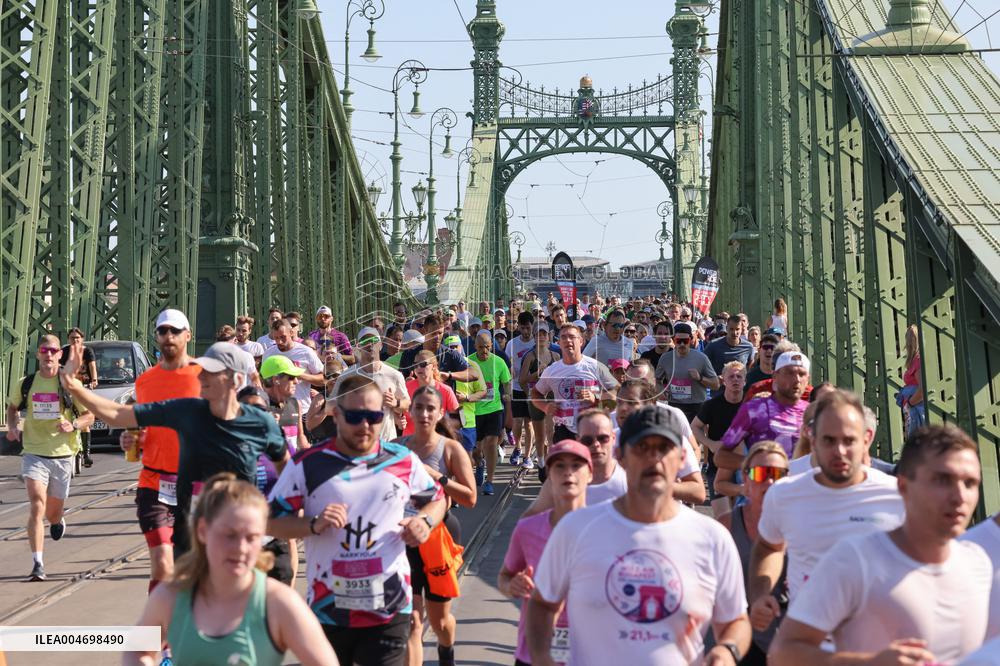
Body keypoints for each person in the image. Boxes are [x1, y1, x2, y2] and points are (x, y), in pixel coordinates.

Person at [526, 405, 751, 665]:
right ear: (620, 455)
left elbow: (736, 620)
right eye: (642, 448)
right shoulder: (576, 528)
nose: (654, 459)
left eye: (664, 448)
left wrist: (726, 651)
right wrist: (543, 657)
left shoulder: (713, 538)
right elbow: (542, 604)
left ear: (681, 459)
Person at [770, 424, 990, 665]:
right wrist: (868, 663)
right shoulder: (855, 559)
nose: (959, 497)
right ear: (903, 486)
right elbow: (783, 653)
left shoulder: (978, 562)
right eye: (942, 480)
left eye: (970, 483)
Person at [267, 376, 448, 666]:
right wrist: (312, 524)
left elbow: (437, 499)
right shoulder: (308, 464)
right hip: (329, 608)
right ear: (336, 414)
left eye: (374, 416)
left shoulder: (402, 460)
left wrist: (424, 523)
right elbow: (270, 521)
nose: (365, 425)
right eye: (354, 416)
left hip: (388, 607)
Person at [60, 341, 288, 558]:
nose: (202, 376)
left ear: (236, 380)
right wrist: (73, 385)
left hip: (241, 542)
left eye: (212, 372)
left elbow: (285, 467)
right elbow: (120, 415)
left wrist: (279, 510)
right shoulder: (187, 412)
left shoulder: (260, 423)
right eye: (201, 370)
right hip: (193, 541)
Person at [125, 473, 338, 666]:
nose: (241, 549)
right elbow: (137, 651)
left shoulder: (279, 603)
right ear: (202, 531)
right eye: (229, 535)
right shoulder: (170, 598)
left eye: (252, 537)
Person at [748, 390, 905, 637]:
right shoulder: (785, 493)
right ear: (812, 438)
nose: (839, 451)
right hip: (808, 645)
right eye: (829, 441)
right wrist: (760, 594)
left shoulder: (898, 496)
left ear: (867, 438)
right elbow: (768, 547)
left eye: (848, 440)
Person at [115, 309, 203, 590]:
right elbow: (142, 430)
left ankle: (189, 628)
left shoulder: (203, 376)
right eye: (163, 331)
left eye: (175, 331)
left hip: (195, 484)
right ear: (156, 336)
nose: (169, 337)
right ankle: (159, 633)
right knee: (163, 562)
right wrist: (133, 443)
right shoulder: (145, 382)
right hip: (154, 484)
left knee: (194, 566)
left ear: (188, 336)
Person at [396, 386, 476, 666]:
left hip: (440, 536)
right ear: (410, 411)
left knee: (440, 621)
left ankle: (446, 653)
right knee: (412, 620)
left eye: (431, 408)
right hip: (404, 538)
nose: (424, 414)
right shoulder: (398, 448)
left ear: (441, 412)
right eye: (419, 408)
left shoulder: (450, 448)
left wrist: (437, 477)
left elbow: (470, 498)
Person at [6, 335, 95, 581]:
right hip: (34, 451)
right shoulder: (26, 383)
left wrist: (74, 423)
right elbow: (13, 408)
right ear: (38, 355)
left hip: (63, 454)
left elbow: (89, 416)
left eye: (53, 350)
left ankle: (58, 520)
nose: (48, 355)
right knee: (37, 504)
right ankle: (38, 563)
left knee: (53, 513)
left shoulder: (69, 384)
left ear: (59, 355)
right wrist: (12, 426)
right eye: (44, 350)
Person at [499, 440, 592, 666]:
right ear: (549, 473)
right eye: (559, 465)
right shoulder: (528, 528)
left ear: (590, 474)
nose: (568, 472)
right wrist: (512, 586)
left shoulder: (605, 531)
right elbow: (505, 576)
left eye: (576, 465)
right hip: (533, 650)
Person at [717, 441, 789, 665]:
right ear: (745, 481)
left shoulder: (802, 524)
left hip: (793, 640)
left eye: (777, 474)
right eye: (760, 473)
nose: (769, 481)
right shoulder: (726, 526)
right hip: (744, 638)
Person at [714, 351, 810, 472]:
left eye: (802, 374)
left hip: (804, 488)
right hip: (766, 487)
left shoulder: (813, 413)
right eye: (789, 373)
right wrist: (757, 465)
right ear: (775, 376)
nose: (796, 379)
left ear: (808, 379)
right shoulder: (754, 410)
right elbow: (720, 456)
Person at [531, 324, 619, 446]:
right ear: (559, 343)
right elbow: (535, 393)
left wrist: (596, 398)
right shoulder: (552, 370)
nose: (568, 340)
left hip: (592, 427)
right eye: (563, 337)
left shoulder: (594, 366)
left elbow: (616, 390)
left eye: (572, 337)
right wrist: (545, 407)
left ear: (581, 341)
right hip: (563, 429)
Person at [334, 327, 409, 442]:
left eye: (374, 341)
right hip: (357, 444)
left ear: (381, 345)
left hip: (387, 444)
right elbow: (332, 407)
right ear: (359, 347)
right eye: (365, 342)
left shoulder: (394, 375)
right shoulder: (346, 377)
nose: (370, 345)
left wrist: (395, 403)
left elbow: (407, 404)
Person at [692, 361, 747, 517]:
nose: (735, 380)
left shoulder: (751, 405)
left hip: (744, 467)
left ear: (745, 380)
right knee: (724, 517)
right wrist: (711, 444)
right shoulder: (712, 405)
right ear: (723, 380)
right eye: (731, 377)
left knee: (743, 516)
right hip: (717, 466)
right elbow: (695, 427)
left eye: (739, 376)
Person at [470, 331, 512, 496]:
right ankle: (479, 463)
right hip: (474, 410)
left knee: (491, 443)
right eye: (481, 347)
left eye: (487, 347)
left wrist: (507, 395)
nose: (484, 351)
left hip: (494, 409)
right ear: (475, 347)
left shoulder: (499, 362)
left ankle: (490, 481)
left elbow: (507, 383)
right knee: (476, 448)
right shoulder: (469, 362)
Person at [654, 321, 719, 422]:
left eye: (685, 340)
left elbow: (716, 385)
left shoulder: (701, 358)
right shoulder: (665, 358)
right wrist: (661, 390)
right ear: (673, 340)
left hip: (697, 407)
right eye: (678, 341)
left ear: (691, 340)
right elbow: (656, 380)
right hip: (674, 406)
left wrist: (700, 378)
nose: (682, 344)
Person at [520, 325, 561, 471]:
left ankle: (549, 462)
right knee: (539, 435)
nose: (541, 337)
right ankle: (541, 463)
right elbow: (522, 380)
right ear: (534, 336)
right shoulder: (530, 356)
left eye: (544, 334)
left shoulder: (555, 356)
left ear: (548, 336)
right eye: (539, 334)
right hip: (536, 399)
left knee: (550, 433)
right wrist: (535, 376)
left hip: (551, 398)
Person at [262, 318, 325, 413]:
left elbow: (324, 380)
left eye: (283, 337)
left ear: (291, 332)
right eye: (276, 338)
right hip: (276, 411)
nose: (279, 342)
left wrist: (298, 375)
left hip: (303, 410)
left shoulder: (306, 352)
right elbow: (264, 382)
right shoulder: (268, 354)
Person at [60, 327, 98, 467]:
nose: (75, 340)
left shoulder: (87, 351)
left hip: (83, 388)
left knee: (85, 416)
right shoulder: (64, 352)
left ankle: (87, 454)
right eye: (72, 338)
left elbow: (92, 367)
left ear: (82, 339)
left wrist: (94, 380)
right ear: (68, 340)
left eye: (77, 338)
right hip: (69, 388)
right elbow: (60, 367)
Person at [403, 350, 460, 436]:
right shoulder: (406, 387)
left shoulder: (446, 390)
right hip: (410, 442)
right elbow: (396, 412)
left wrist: (441, 426)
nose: (418, 368)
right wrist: (398, 420)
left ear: (433, 366)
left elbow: (460, 420)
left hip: (436, 442)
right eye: (415, 365)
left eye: (422, 364)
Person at [507, 312, 538, 467]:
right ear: (518, 327)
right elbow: (508, 362)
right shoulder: (512, 344)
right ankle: (518, 447)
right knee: (517, 421)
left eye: (528, 328)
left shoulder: (538, 342)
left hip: (533, 388)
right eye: (523, 328)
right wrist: (511, 368)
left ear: (532, 326)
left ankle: (527, 456)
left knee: (529, 422)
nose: (526, 331)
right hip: (517, 387)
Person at [898, 323, 925, 435]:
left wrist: (909, 403)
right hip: (914, 409)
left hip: (916, 409)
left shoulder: (917, 360)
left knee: (916, 444)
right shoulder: (915, 360)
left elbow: (923, 389)